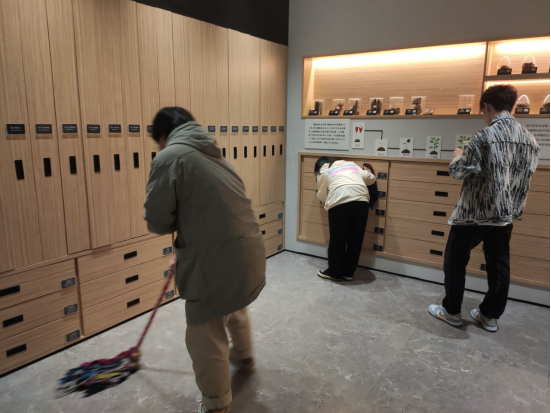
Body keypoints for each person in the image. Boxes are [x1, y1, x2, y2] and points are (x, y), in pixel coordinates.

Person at [143, 107, 266, 413]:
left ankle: (216, 404)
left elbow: (158, 221)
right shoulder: (214, 154)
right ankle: (244, 355)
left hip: (217, 259)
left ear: (163, 136)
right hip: (249, 252)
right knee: (232, 303)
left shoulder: (169, 157)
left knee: (204, 333)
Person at [429, 85, 540, 332]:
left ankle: (451, 311)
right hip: (505, 214)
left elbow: (459, 172)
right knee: (499, 265)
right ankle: (489, 316)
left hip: (474, 213)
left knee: (455, 260)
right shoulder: (530, 140)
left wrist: (458, 155)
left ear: (486, 107)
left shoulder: (484, 137)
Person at [315, 157, 377, 282]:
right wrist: (368, 172)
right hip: (361, 201)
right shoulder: (353, 165)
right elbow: (371, 179)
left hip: (339, 201)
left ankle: (334, 273)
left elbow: (321, 196)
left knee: (337, 238)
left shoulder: (325, 171)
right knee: (356, 239)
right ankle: (348, 273)